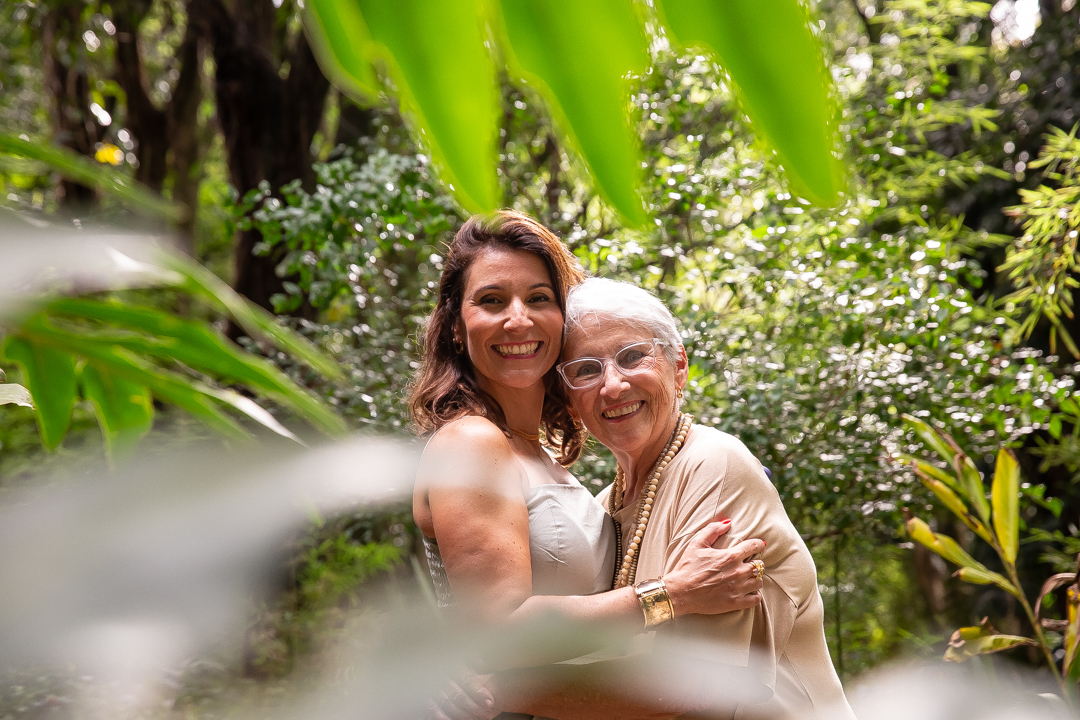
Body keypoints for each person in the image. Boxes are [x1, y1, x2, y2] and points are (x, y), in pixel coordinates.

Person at [409, 211, 768, 717]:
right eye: (492, 300)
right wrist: (672, 594)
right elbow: (500, 634)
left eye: (539, 298)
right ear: (453, 327)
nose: (518, 319)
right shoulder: (471, 440)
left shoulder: (539, 457)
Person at [491, 277, 855, 720]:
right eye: (586, 369)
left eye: (632, 356)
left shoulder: (714, 464)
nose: (613, 386)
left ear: (678, 366)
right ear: (570, 402)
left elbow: (694, 690)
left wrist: (499, 688)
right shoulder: (607, 505)